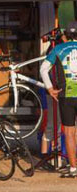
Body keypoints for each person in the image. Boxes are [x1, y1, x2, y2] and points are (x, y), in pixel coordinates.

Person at [40, 21, 77, 178]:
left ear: (65, 35)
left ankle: (74, 168)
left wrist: (49, 88)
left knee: (69, 132)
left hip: (66, 95)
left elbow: (43, 69)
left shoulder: (59, 48)